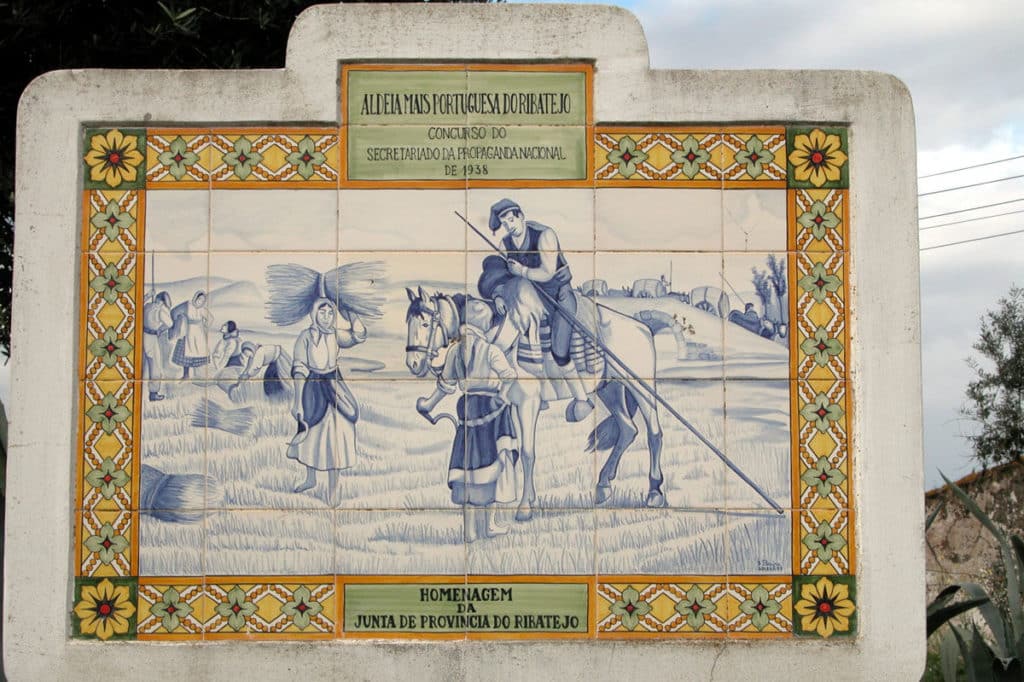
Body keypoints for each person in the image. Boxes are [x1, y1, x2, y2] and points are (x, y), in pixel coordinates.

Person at [416, 302, 519, 541]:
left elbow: (445, 386)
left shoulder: (455, 352)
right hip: (491, 410)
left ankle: (470, 530)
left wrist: (428, 405)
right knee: (491, 465)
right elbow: (509, 376)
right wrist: (503, 397)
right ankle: (489, 525)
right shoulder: (491, 351)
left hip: (467, 407)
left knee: (468, 467)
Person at [488, 198, 593, 422]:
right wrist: (498, 294)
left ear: (521, 216)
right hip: (532, 297)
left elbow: (547, 272)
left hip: (558, 296)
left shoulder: (544, 235)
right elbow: (500, 273)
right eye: (504, 223)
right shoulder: (506, 244)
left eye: (511, 220)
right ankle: (534, 393)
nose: (509, 226)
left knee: (559, 350)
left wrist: (522, 271)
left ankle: (582, 400)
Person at [287, 298, 365, 504]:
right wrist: (297, 401)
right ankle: (310, 479)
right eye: (322, 312)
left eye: (330, 313)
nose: (327, 317)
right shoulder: (305, 336)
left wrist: (352, 312)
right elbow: (299, 368)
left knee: (337, 436)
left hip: (334, 385)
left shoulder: (335, 335)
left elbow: (358, 336)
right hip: (313, 387)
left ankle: (334, 488)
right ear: (314, 313)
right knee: (312, 434)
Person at [170, 290, 212, 379]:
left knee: (198, 353)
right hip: (187, 331)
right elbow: (174, 312)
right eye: (199, 299)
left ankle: (198, 376)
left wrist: (205, 326)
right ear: (195, 298)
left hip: (199, 334)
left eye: (202, 301)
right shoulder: (187, 305)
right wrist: (178, 322)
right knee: (186, 354)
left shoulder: (202, 309)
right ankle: (186, 375)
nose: (200, 302)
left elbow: (210, 318)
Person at [142, 291, 173, 401]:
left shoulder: (147, 305)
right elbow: (169, 323)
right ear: (163, 302)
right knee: (155, 365)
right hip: (151, 338)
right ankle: (153, 393)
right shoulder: (160, 310)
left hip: (141, 335)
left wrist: (147, 296)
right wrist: (160, 329)